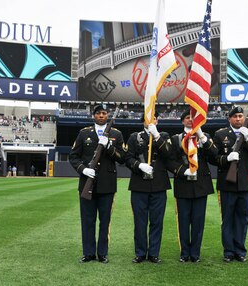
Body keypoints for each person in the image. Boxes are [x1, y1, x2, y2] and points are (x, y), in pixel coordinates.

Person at [69, 104, 126, 264]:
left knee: (105, 220)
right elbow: (73, 156)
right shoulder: (84, 133)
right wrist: (83, 169)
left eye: (104, 113)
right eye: (98, 113)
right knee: (87, 220)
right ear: (93, 115)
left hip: (107, 184)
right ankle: (88, 253)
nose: (101, 116)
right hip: (87, 181)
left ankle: (102, 253)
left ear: (107, 115)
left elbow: (122, 158)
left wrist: (109, 146)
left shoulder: (116, 134)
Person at [211, 106, 248, 263]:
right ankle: (228, 251)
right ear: (230, 119)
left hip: (244, 184)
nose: (239, 119)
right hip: (227, 183)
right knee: (228, 219)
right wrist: (227, 158)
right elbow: (213, 157)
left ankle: (240, 251)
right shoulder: (220, 135)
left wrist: (247, 140)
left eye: (241, 116)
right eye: (235, 117)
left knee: (242, 219)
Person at [167, 110, 217, 263]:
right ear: (182, 121)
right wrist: (183, 171)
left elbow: (214, 154)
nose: (190, 120)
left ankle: (195, 253)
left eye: (193, 118)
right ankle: (184, 253)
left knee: (198, 221)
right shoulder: (176, 139)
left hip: (201, 184)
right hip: (183, 184)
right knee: (183, 221)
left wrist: (202, 137)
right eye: (188, 118)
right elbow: (170, 161)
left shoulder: (204, 137)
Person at [125, 111, 172, 263]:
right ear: (142, 121)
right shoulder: (134, 137)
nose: (151, 120)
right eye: (148, 118)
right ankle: (140, 253)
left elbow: (168, 154)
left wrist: (156, 136)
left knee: (157, 222)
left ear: (157, 121)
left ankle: (153, 253)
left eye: (154, 118)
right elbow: (127, 158)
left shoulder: (164, 136)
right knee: (140, 222)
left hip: (159, 185)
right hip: (139, 185)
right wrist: (139, 165)